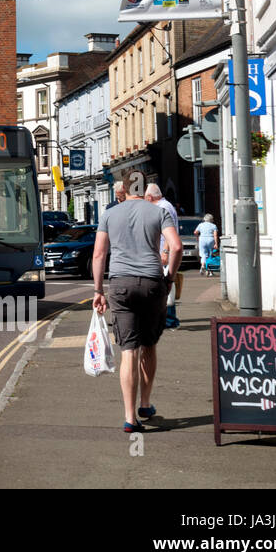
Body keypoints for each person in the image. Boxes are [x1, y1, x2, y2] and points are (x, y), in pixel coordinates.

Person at [92, 179, 181, 433]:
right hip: (153, 283)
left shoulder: (109, 214)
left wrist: (98, 291)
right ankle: (145, 403)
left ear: (125, 189)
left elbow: (99, 254)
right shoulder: (159, 211)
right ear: (143, 190)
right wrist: (169, 278)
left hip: (120, 285)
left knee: (129, 351)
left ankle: (130, 418)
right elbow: (175, 246)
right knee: (149, 345)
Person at [145, 183, 181, 329]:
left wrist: (165, 252)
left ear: (149, 197)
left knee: (166, 286)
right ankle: (166, 319)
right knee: (164, 286)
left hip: (164, 253)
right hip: (163, 252)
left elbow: (168, 234)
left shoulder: (162, 208)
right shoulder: (166, 205)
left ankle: (170, 320)